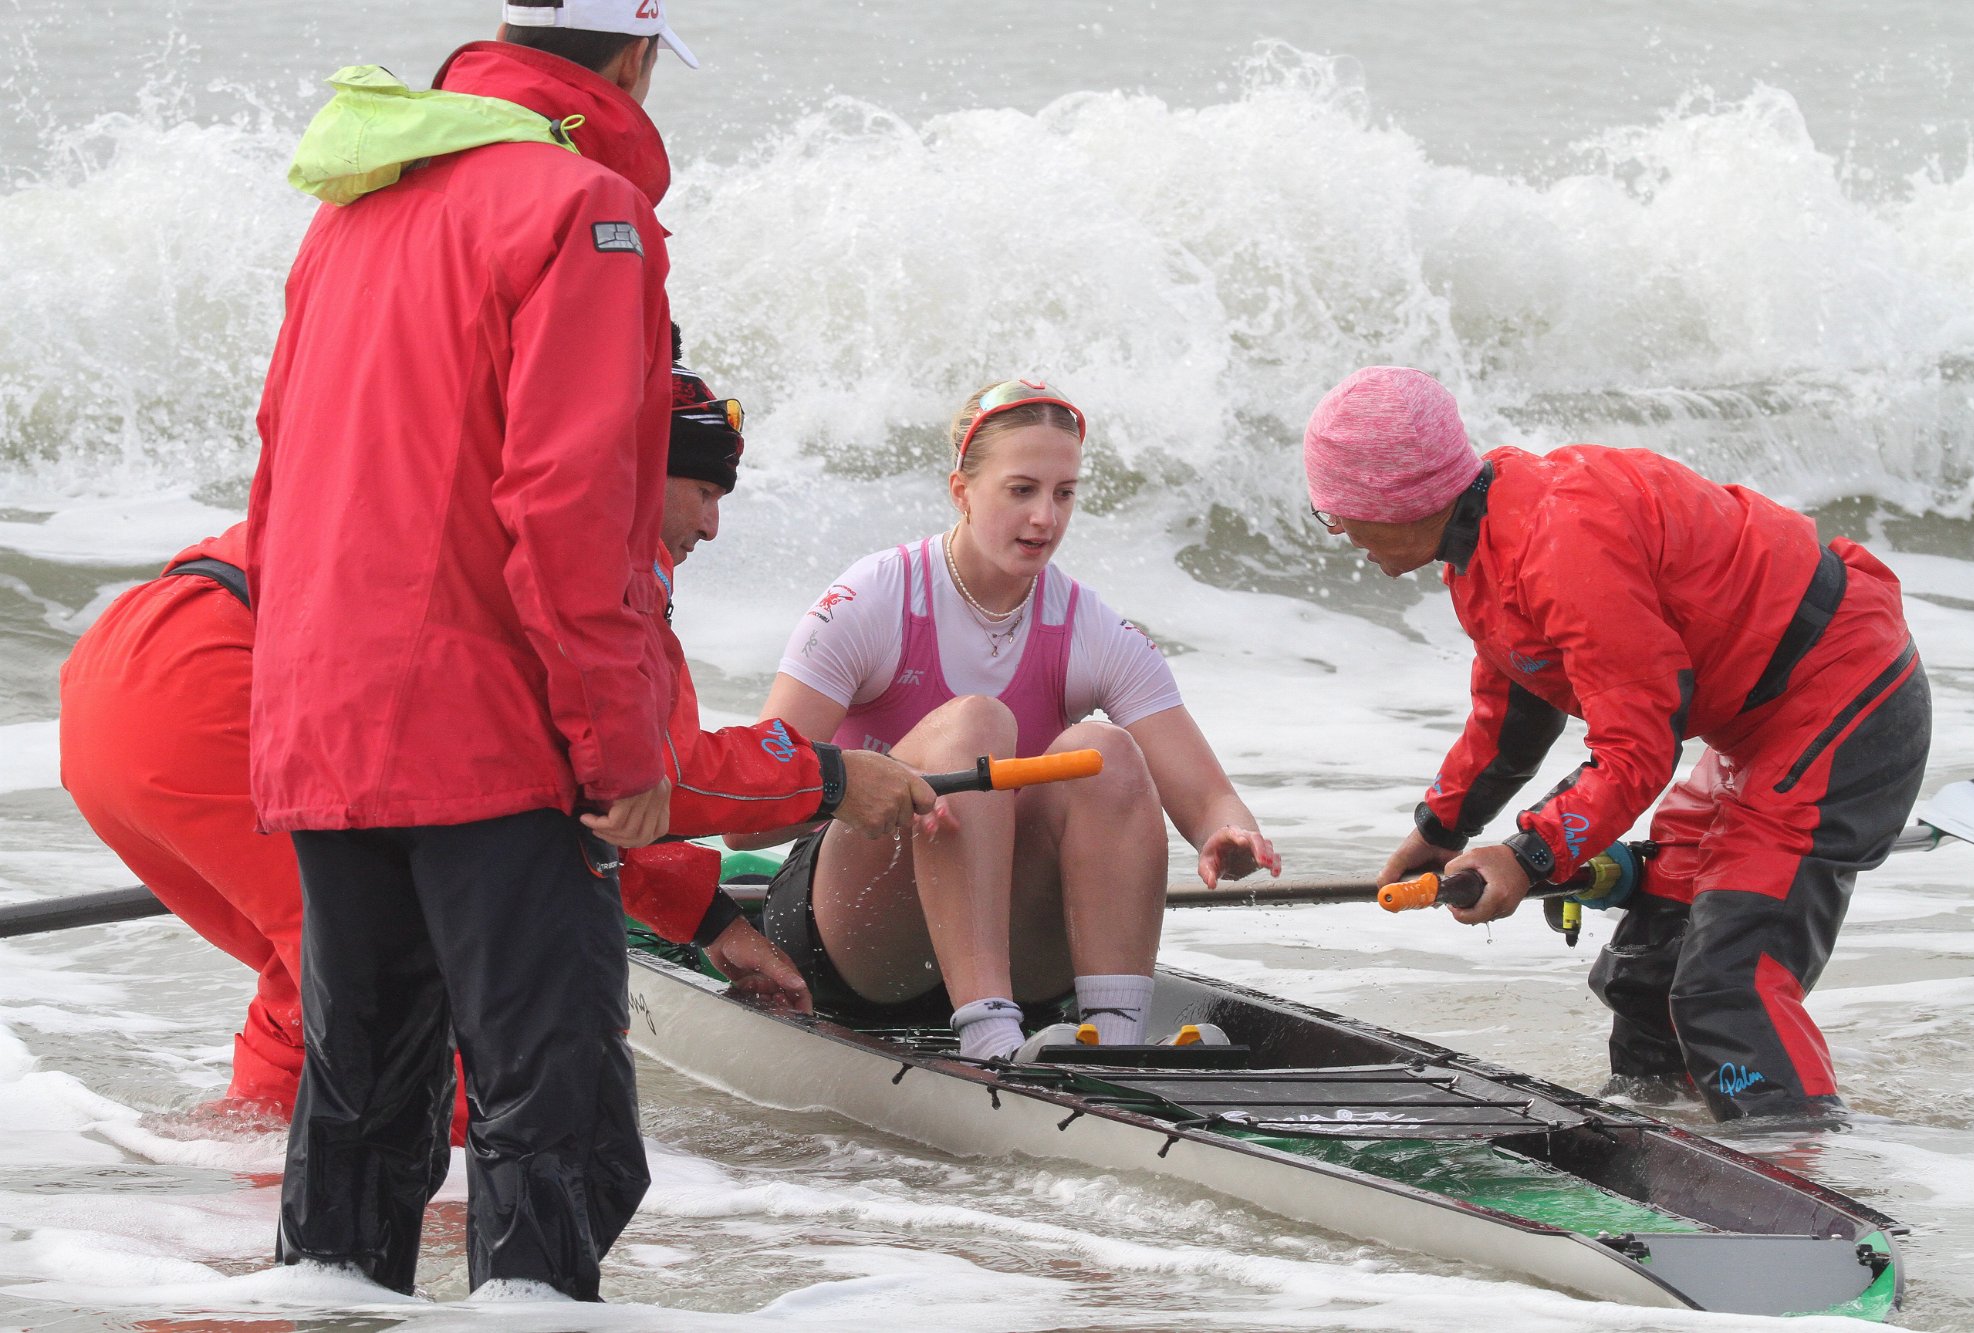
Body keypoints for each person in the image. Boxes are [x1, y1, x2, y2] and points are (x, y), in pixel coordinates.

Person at [242, 4, 905, 1301]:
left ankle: (319, 1308)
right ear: (635, 59)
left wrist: (299, 694)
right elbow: (570, 499)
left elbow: (280, 471)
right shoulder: (583, 205)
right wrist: (617, 751)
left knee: (361, 1120)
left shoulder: (354, 203)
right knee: (566, 1142)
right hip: (486, 738)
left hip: (324, 717)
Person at [56, 358, 924, 1118]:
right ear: (637, 473)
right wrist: (834, 780)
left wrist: (704, 917)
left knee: (326, 979)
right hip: (219, 689)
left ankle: (224, 1195)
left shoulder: (504, 492)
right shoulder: (594, 541)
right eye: (704, 490)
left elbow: (558, 782)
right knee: (417, 1022)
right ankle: (404, 1276)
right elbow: (652, 767)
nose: (711, 527)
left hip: (123, 676)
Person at [1302, 366, 1930, 1122]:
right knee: (1649, 968)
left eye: (1337, 514)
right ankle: (1657, 1118)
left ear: (1397, 499)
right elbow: (1514, 712)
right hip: (1752, 725)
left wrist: (1529, 855)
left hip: (1843, 693)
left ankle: (1803, 1165)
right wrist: (1442, 828)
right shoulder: (1483, 538)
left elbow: (1638, 751)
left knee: (1727, 985)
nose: (1340, 534)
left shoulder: (1561, 540)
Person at [733, 378, 1281, 1062]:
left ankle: (1113, 1041)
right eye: (1021, 490)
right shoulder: (873, 599)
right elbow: (743, 815)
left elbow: (1207, 796)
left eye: (1064, 493)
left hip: (1011, 942)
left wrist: (1228, 833)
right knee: (975, 727)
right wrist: (861, 786)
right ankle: (990, 1038)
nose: (1045, 518)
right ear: (961, 489)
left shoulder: (1088, 627)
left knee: (1102, 751)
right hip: (856, 942)